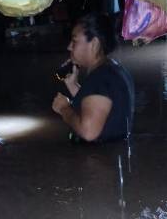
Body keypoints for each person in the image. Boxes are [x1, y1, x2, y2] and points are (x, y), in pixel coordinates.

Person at [51, 13, 135, 143]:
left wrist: (64, 109)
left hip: (99, 159)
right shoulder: (114, 70)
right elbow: (101, 106)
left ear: (94, 43)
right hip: (114, 155)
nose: (69, 47)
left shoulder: (99, 78)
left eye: (74, 41)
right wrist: (73, 86)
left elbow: (88, 132)